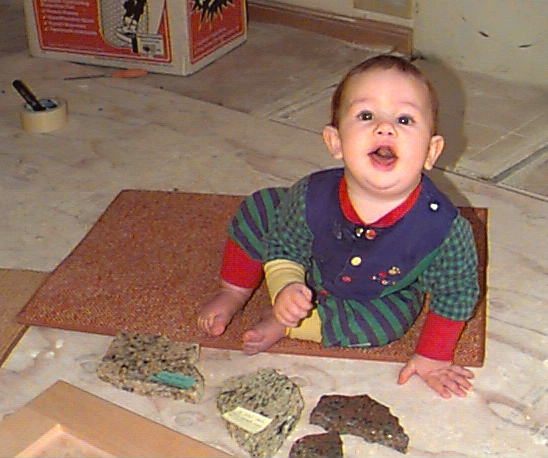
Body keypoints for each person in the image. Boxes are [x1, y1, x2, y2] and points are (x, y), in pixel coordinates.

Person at [197, 55, 479, 399]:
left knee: (384, 326)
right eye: (366, 115)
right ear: (335, 142)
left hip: (380, 290)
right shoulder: (309, 195)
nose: (385, 128)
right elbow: (285, 245)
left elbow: (456, 292)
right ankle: (234, 291)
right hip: (309, 260)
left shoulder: (443, 230)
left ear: (431, 152)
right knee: (263, 207)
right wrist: (286, 285)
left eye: (404, 119)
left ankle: (289, 324)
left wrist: (433, 356)